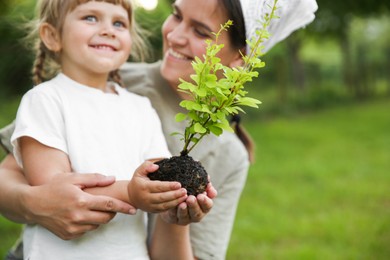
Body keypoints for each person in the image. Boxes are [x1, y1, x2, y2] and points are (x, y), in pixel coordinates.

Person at [0, 0, 318, 259]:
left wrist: (174, 215)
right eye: (177, 15)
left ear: (239, 61)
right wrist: (34, 203)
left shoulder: (223, 153)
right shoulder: (105, 74)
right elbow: (17, 175)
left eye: (202, 32)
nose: (176, 35)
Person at [5, 0, 197, 259]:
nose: (108, 30)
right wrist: (130, 192)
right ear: (52, 36)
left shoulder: (141, 108)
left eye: (119, 23)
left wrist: (181, 194)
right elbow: (54, 191)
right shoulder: (45, 100)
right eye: (91, 18)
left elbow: (157, 175)